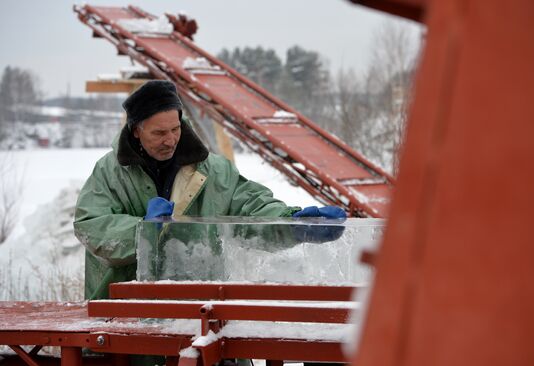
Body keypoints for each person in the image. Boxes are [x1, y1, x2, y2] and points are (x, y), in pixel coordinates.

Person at [73, 80, 345, 300]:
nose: (170, 140)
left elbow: (252, 207)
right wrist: (143, 230)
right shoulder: (110, 172)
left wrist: (291, 223)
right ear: (135, 131)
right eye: (158, 133)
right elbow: (90, 224)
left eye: (175, 129)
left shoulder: (214, 170)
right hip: (127, 311)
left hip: (201, 305)